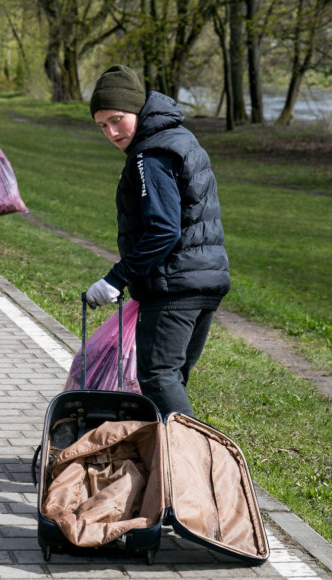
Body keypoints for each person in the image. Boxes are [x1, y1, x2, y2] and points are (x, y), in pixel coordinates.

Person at [85, 64, 231, 418]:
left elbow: (164, 230)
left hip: (174, 287)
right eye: (102, 125)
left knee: (157, 378)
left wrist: (116, 278)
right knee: (172, 380)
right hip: (204, 281)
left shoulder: (149, 154)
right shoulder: (178, 137)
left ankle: (202, 467)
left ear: (137, 109)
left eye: (117, 119)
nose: (111, 131)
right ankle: (166, 467)